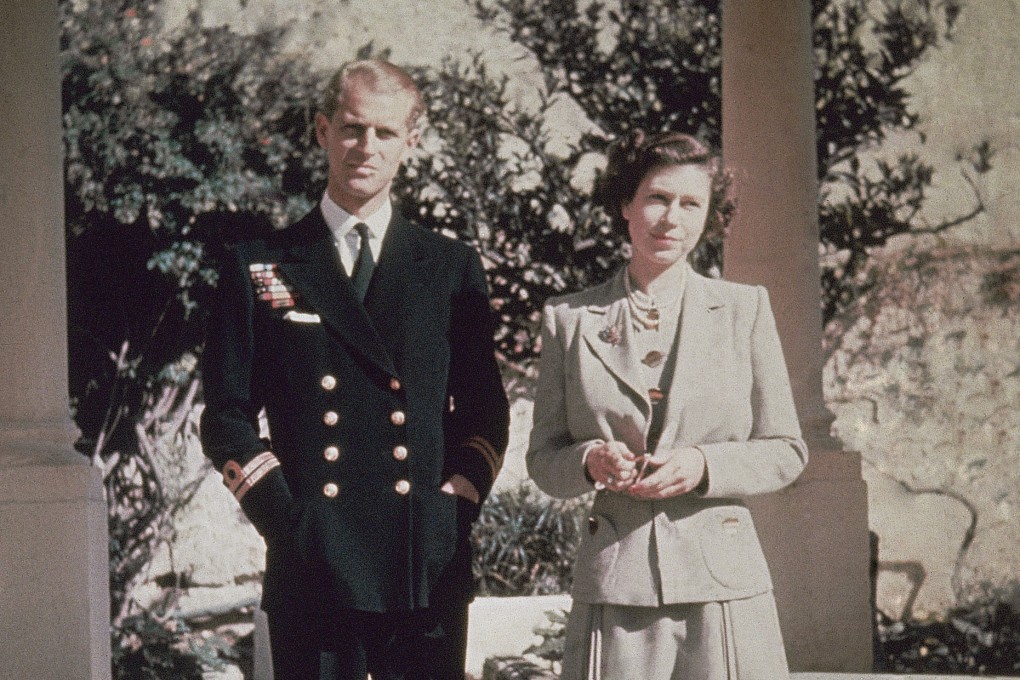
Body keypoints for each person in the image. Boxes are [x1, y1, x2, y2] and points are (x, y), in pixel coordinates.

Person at [200, 59, 510, 680]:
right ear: (322, 131)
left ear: (412, 142)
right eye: (351, 128)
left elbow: (484, 409)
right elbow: (226, 415)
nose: (366, 148)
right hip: (313, 559)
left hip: (422, 557)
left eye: (386, 133)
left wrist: (459, 499)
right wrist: (288, 518)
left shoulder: (448, 267)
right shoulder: (261, 265)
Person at [526, 130, 808, 680]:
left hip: (725, 589)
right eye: (656, 198)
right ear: (626, 204)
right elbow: (543, 459)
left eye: (690, 203)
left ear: (710, 215)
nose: (670, 218)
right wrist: (590, 461)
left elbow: (786, 450)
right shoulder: (568, 319)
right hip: (616, 584)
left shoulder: (744, 310)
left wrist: (704, 465)